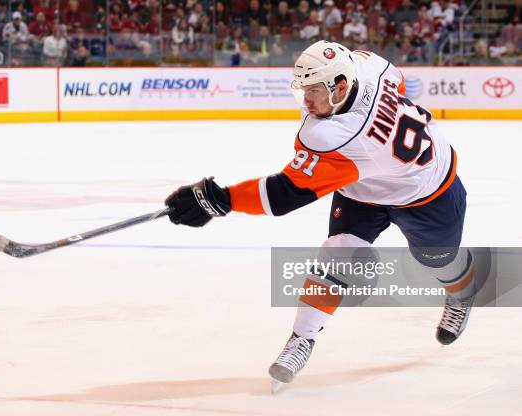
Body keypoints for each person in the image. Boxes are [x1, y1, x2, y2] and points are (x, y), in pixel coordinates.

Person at [164, 40, 474, 391]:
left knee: (439, 261)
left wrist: (219, 200)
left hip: (428, 191)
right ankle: (302, 338)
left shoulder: (335, 136)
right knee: (336, 255)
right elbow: (397, 81)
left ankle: (461, 294)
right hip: (364, 191)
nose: (307, 103)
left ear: (340, 86)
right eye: (302, 92)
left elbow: (283, 196)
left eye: (313, 92)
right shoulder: (369, 66)